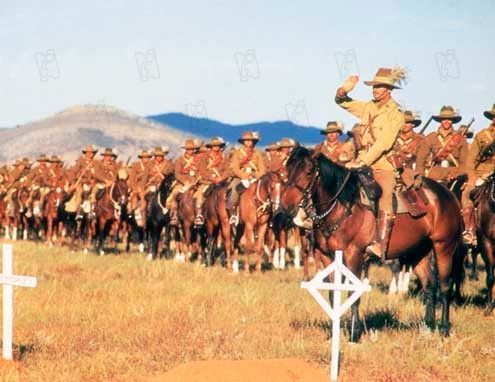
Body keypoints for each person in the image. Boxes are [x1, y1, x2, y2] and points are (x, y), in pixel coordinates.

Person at [336, 67, 406, 263]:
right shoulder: (367, 107)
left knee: (384, 195)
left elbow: (384, 143)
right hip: (361, 162)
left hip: (383, 165)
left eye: (380, 86)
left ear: (389, 90)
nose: (375, 89)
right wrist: (343, 90)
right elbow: (343, 103)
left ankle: (380, 243)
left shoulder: (396, 114)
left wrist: (362, 161)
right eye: (374, 86)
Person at [462, 103, 495, 244]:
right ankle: (470, 230)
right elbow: (470, 160)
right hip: (482, 174)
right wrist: (472, 177)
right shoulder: (482, 135)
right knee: (467, 193)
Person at [415, 106, 468, 184]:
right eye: (444, 119)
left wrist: (461, 178)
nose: (446, 121)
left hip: (453, 176)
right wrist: (420, 178)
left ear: (452, 121)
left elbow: (464, 161)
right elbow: (420, 159)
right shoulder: (431, 137)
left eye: (449, 119)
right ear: (440, 120)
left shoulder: (461, 139)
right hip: (434, 175)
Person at [228, 131, 266, 225]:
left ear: (253, 142)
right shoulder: (237, 153)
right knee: (235, 189)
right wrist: (245, 176)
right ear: (243, 142)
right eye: (246, 140)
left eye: (250, 140)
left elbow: (262, 170)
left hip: (254, 177)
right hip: (240, 177)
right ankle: (233, 212)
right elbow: (235, 168)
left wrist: (255, 175)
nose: (248, 142)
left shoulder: (258, 153)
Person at [194, 137, 230, 225]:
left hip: (222, 181)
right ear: (211, 147)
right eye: (214, 146)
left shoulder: (224, 157)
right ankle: (199, 215)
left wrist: (222, 178)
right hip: (208, 181)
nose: (216, 147)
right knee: (200, 194)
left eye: (218, 146)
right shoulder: (204, 157)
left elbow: (228, 170)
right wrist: (211, 178)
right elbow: (202, 170)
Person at [166, 139, 202, 225]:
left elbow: (200, 171)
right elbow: (177, 174)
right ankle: (174, 215)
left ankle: (199, 215)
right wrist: (184, 181)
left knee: (201, 196)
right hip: (182, 184)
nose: (190, 151)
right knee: (174, 194)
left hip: (195, 183)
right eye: (188, 149)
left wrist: (194, 181)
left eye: (192, 149)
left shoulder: (198, 160)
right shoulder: (180, 160)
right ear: (185, 150)